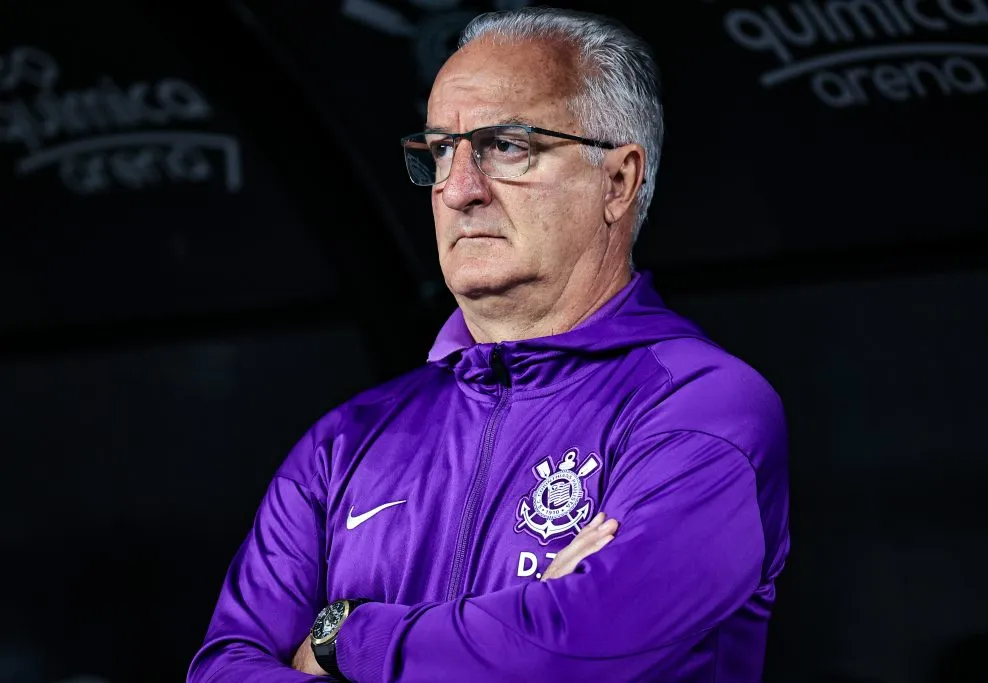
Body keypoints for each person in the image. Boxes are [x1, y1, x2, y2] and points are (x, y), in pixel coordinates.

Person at [186, 6, 790, 682]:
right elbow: (223, 670)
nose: (460, 188)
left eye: (507, 145)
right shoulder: (345, 442)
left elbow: (568, 649)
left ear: (617, 181)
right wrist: (516, 629)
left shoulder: (700, 406)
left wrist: (343, 636)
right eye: (441, 150)